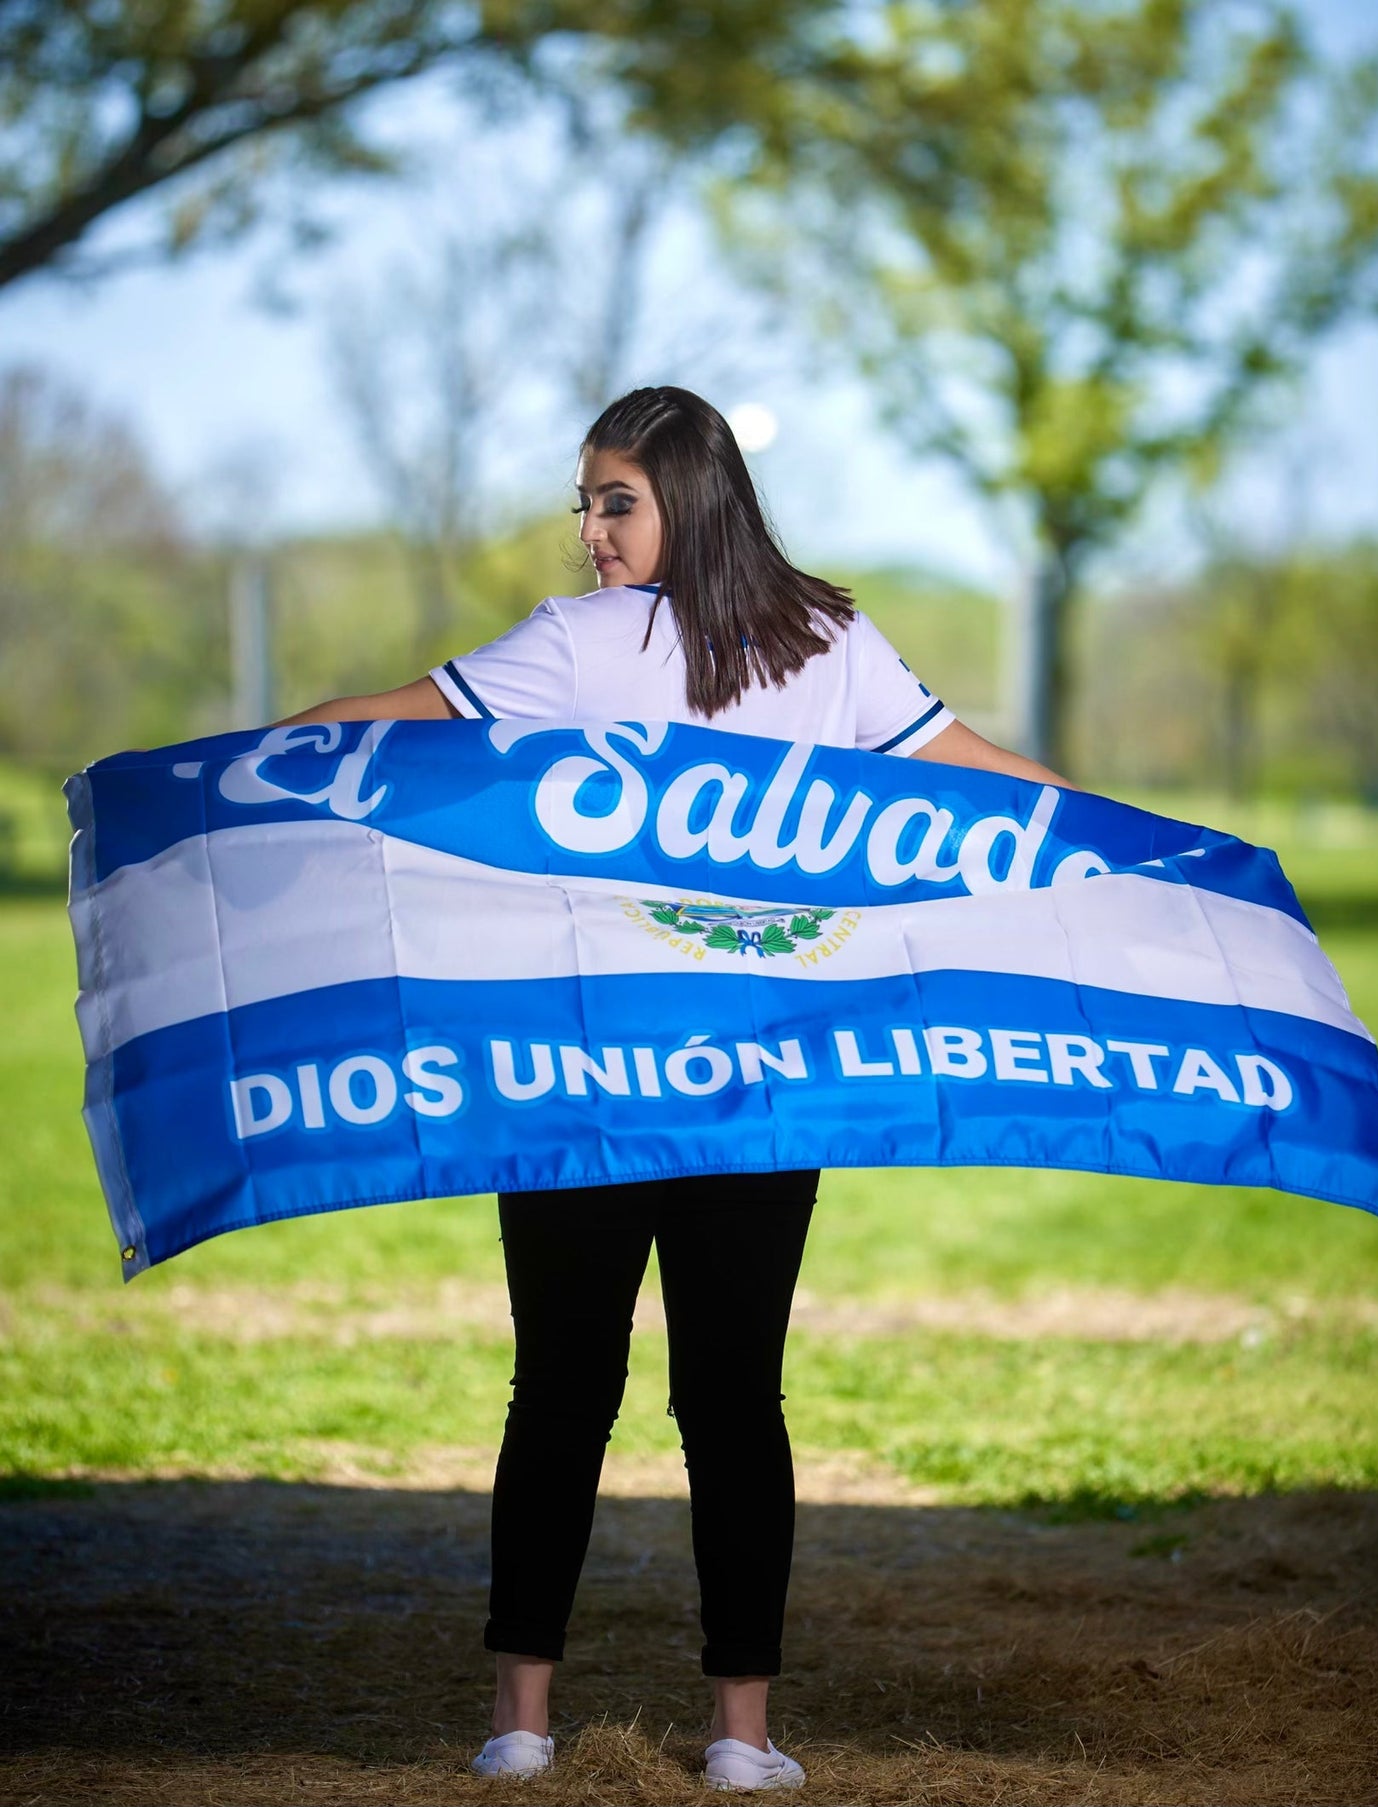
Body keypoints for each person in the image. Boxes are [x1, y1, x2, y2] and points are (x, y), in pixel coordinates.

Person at [282, 386, 1068, 1792]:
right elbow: (996, 788)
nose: (590, 532)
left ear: (687, 499)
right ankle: (717, 1740)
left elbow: (375, 730)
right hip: (732, 1089)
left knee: (585, 1392)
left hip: (606, 1078)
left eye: (615, 501)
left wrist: (238, 767)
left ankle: (543, 1726)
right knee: (713, 1402)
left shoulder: (609, 644)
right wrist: (1114, 843)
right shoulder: (822, 641)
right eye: (584, 502)